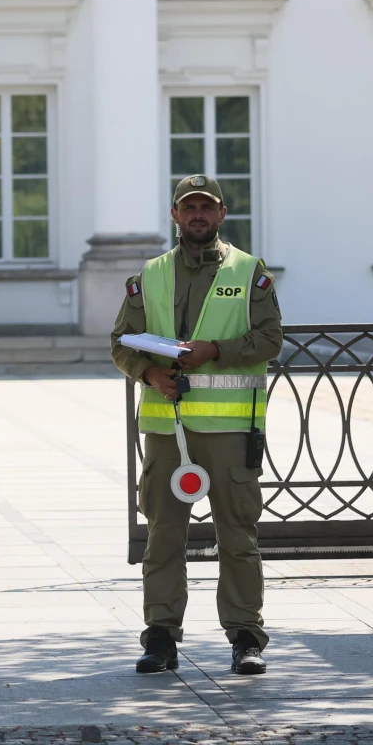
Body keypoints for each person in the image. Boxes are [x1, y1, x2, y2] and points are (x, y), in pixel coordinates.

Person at [110, 175, 283, 676]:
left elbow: (271, 338)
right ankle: (160, 638)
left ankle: (246, 637)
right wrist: (148, 371)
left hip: (230, 432)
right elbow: (121, 341)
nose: (198, 215)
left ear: (222, 214)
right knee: (164, 535)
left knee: (238, 535)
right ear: (175, 215)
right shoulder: (151, 274)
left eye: (207, 206)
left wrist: (217, 351)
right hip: (168, 431)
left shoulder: (249, 272)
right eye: (190, 207)